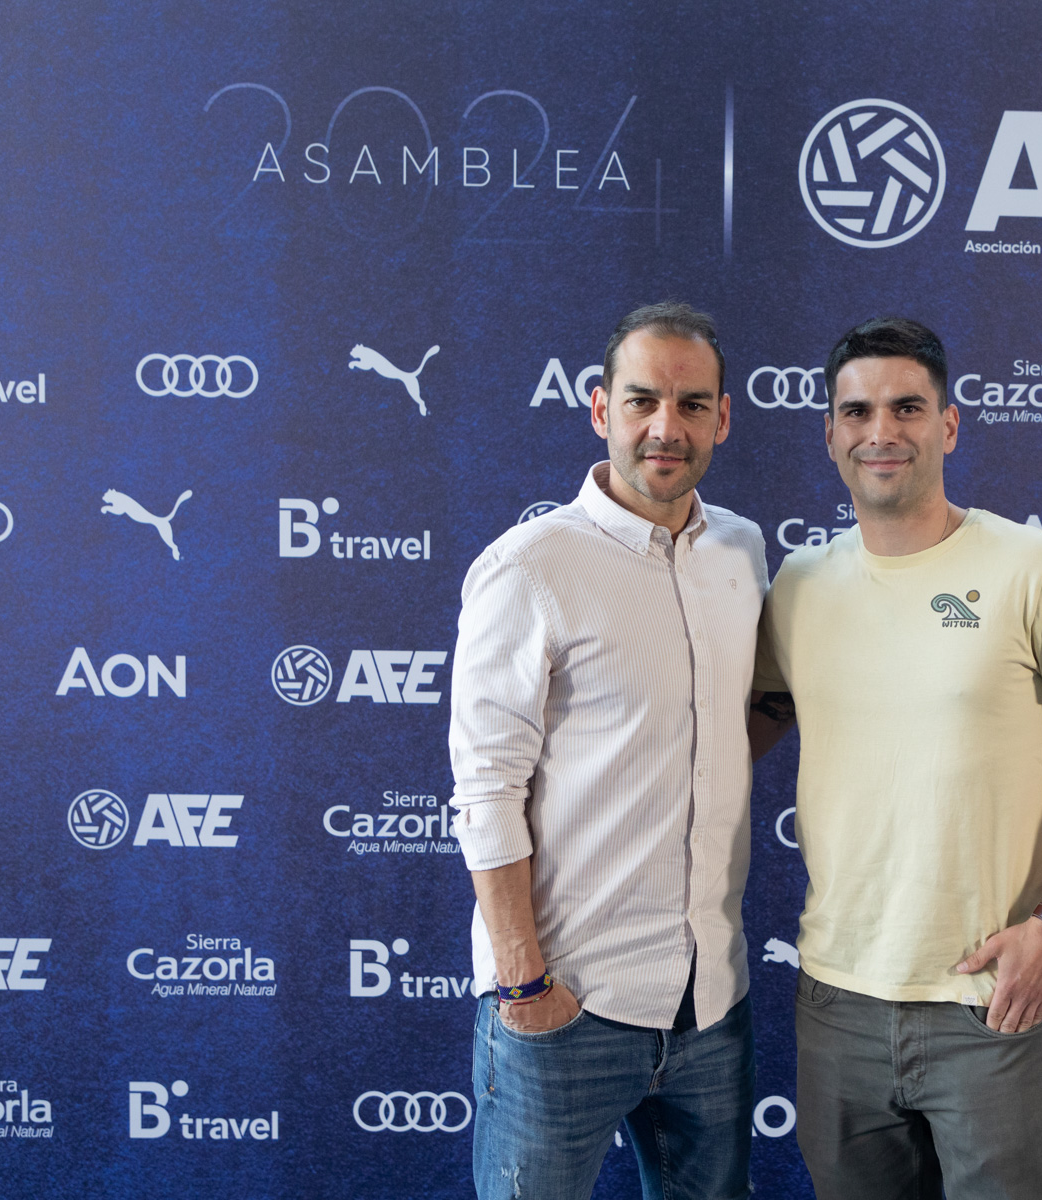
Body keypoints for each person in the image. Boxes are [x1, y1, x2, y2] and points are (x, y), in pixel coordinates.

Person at [748, 317, 1042, 1200]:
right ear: (830, 433)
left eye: (907, 408)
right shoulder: (799, 587)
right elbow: (732, 739)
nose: (881, 432)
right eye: (857, 412)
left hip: (991, 1001)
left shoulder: (1033, 566)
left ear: (950, 425)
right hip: (838, 1002)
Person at [448, 302, 767, 1200]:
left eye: (692, 405)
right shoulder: (530, 566)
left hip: (713, 1007)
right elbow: (486, 789)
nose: (667, 427)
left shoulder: (742, 551)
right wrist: (525, 987)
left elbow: (740, 717)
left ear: (722, 419)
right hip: (567, 1008)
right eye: (642, 401)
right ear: (600, 410)